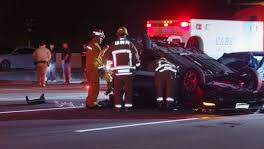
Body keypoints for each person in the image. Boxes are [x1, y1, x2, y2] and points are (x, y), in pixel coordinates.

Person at [104, 27, 140, 112]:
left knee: (117, 91)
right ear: (126, 35)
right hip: (128, 73)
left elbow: (108, 58)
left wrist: (108, 71)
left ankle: (118, 108)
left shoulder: (113, 45)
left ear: (117, 35)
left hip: (117, 73)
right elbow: (136, 57)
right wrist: (138, 65)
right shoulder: (130, 44)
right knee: (128, 91)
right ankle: (128, 107)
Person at [85, 29, 106, 109]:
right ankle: (92, 104)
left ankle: (89, 102)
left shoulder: (91, 44)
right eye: (101, 38)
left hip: (90, 68)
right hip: (93, 69)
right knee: (95, 87)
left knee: (92, 87)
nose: (101, 40)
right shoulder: (96, 45)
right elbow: (98, 59)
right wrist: (104, 50)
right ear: (97, 37)